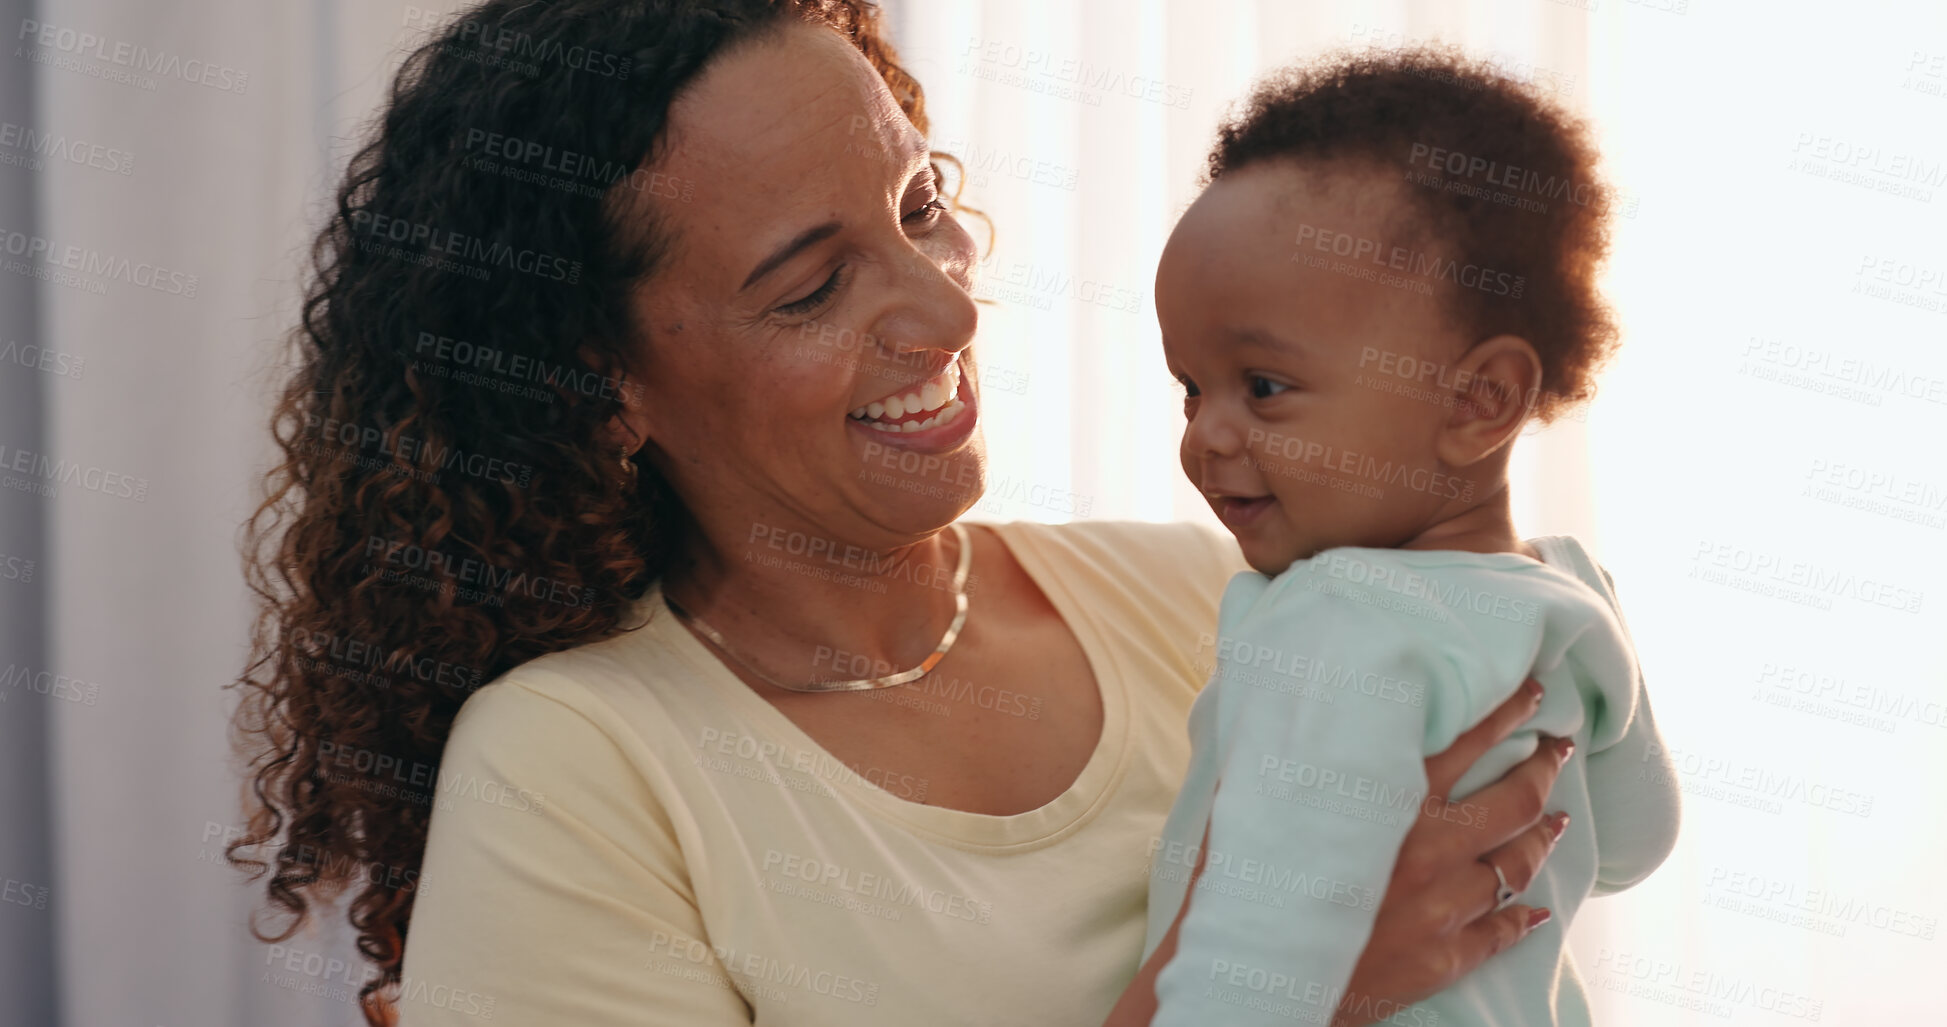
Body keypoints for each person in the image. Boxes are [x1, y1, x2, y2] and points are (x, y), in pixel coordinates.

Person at [228, 3, 1625, 1024]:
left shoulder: (1215, 598)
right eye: (810, 285)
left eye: (918, 206)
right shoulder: (578, 766)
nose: (948, 304)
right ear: (602, 383)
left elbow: (1583, 855)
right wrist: (1308, 979)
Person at [1135, 50, 1681, 1026]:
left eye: (1262, 386)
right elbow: (1637, 841)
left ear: (1479, 399)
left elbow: (1245, 962)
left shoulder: (1338, 615)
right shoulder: (1567, 588)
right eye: (1190, 386)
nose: (1205, 434)